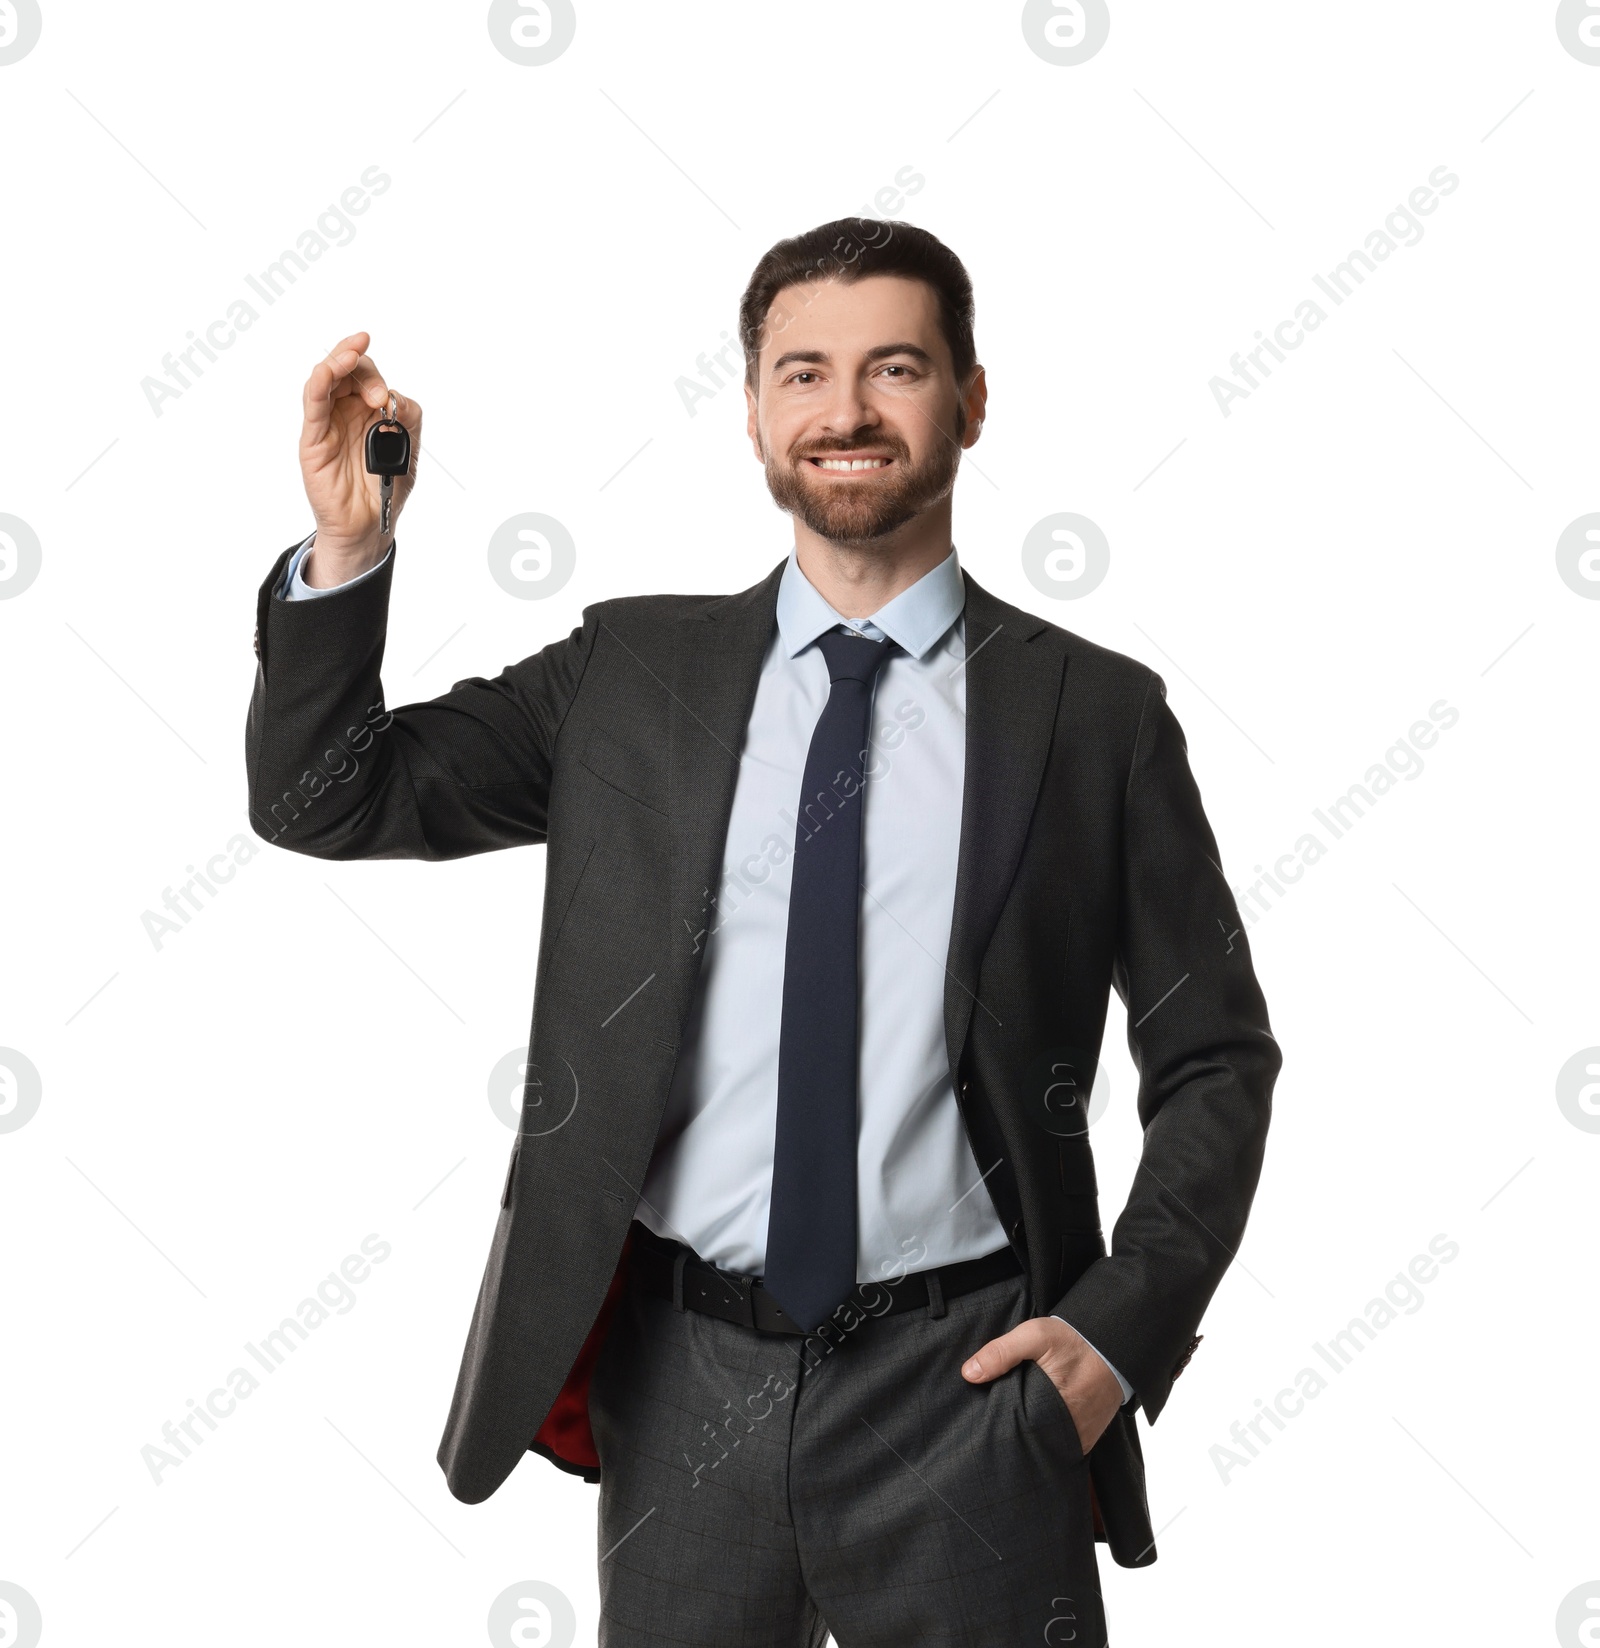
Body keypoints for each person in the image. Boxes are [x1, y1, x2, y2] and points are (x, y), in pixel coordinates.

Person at [246, 217, 1281, 1647]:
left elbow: (1217, 1058)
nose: (844, 411)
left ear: (972, 400)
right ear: (752, 411)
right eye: (802, 372)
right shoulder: (629, 677)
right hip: (680, 1396)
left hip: (973, 1394)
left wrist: (1114, 1335)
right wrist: (351, 546)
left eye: (895, 368)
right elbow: (326, 797)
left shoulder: (1091, 719)